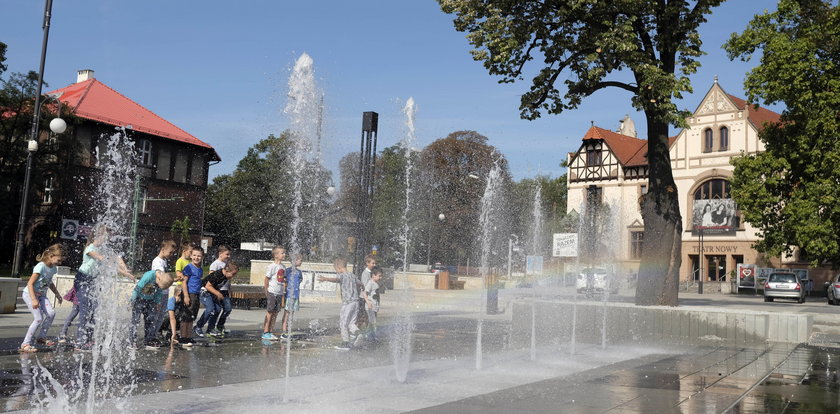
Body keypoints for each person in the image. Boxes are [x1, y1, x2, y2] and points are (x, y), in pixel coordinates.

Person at [74, 225, 133, 351]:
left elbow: (116, 259)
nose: (107, 240)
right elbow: (102, 258)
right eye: (106, 237)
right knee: (85, 311)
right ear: (98, 236)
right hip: (83, 280)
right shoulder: (90, 248)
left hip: (93, 281)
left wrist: (125, 272)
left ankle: (89, 340)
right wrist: (114, 259)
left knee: (94, 310)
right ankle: (80, 342)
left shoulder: (102, 250)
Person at [20, 244, 64, 353]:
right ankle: (25, 344)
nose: (60, 263)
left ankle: (41, 337)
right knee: (38, 319)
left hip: (41, 296)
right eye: (58, 260)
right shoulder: (40, 266)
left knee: (51, 313)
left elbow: (49, 283)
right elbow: (30, 284)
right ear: (50, 256)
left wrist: (57, 294)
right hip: (30, 295)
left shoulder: (53, 269)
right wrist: (34, 299)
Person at [318, 257, 362, 350]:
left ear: (338, 268)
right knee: (351, 323)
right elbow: (360, 283)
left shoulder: (342, 275)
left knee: (343, 323)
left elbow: (336, 279)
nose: (337, 272)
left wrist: (325, 278)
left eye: (336, 270)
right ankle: (358, 333)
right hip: (356, 302)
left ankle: (345, 342)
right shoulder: (353, 275)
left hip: (347, 303)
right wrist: (363, 287)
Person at [129, 269, 174, 349]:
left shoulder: (161, 280)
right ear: (159, 279)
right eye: (160, 285)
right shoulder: (149, 276)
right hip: (139, 300)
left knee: (150, 320)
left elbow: (158, 293)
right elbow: (137, 288)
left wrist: (157, 303)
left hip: (151, 301)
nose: (159, 287)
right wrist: (132, 300)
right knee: (135, 321)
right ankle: (132, 341)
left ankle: (148, 340)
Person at [200, 262, 239, 338]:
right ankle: (198, 326)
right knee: (210, 309)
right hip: (204, 291)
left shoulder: (225, 276)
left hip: (211, 292)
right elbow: (208, 286)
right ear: (227, 270)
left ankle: (211, 329)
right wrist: (217, 293)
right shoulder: (218, 274)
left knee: (217, 309)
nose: (233, 276)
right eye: (233, 274)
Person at [151, 240, 177, 339]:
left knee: (161, 315)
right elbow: (161, 279)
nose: (171, 254)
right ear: (162, 250)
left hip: (165, 292)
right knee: (156, 315)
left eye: (172, 253)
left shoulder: (164, 261)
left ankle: (156, 333)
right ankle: (152, 335)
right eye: (170, 252)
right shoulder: (157, 261)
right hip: (159, 292)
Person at [207, 245, 233, 335]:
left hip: (225, 290)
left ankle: (220, 326)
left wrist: (230, 290)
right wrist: (214, 291)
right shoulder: (215, 264)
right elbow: (210, 278)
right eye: (227, 254)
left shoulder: (227, 265)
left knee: (228, 309)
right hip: (217, 291)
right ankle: (211, 328)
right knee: (216, 310)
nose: (229, 256)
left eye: (229, 254)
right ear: (220, 254)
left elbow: (228, 279)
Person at [262, 246, 286, 340]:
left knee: (275, 313)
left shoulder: (283, 267)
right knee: (270, 312)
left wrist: (283, 292)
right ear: (276, 255)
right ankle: (265, 332)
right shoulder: (272, 266)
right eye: (282, 253)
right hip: (272, 292)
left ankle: (271, 331)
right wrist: (266, 291)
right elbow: (266, 279)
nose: (284, 255)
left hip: (279, 293)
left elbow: (282, 280)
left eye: (284, 253)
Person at [182, 247, 205, 337]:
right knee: (186, 316)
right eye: (194, 255)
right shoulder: (189, 267)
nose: (196, 257)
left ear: (202, 257)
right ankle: (183, 336)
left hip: (196, 294)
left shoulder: (200, 269)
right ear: (191, 256)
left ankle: (189, 336)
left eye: (199, 256)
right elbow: (184, 282)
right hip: (189, 293)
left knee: (192, 316)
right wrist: (186, 296)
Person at [281, 253, 303, 336]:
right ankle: (284, 331)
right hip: (289, 295)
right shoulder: (288, 271)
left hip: (296, 296)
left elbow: (300, 281)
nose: (301, 262)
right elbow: (284, 281)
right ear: (294, 261)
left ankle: (288, 329)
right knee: (286, 313)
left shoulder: (299, 272)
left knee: (292, 313)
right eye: (300, 260)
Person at [362, 266, 384, 343]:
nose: (380, 277)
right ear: (373, 275)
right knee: (372, 322)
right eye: (379, 276)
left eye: (381, 276)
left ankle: (371, 336)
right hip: (370, 306)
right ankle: (368, 336)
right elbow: (364, 293)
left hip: (375, 306)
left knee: (373, 322)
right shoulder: (370, 283)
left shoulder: (376, 283)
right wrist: (368, 302)